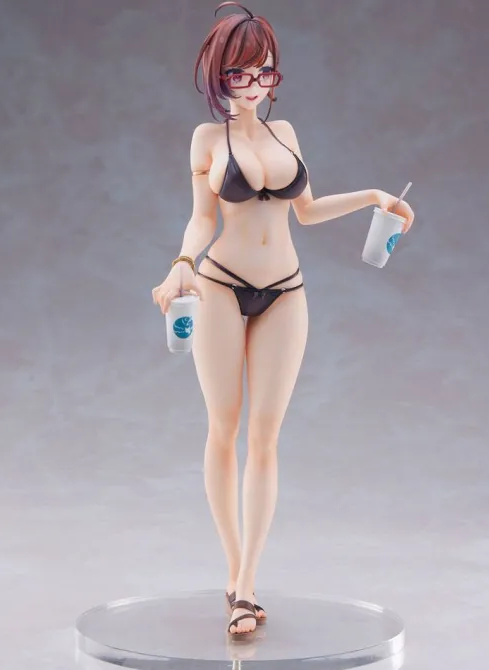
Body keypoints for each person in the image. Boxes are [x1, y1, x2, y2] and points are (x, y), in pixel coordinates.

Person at [151, 1, 415, 639]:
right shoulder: (207, 139)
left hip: (286, 292)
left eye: (264, 73)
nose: (254, 86)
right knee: (224, 429)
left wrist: (374, 198)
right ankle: (233, 572)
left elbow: (308, 210)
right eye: (240, 74)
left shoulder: (286, 133)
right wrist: (182, 263)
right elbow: (202, 219)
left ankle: (246, 585)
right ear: (218, 75)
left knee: (265, 438)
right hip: (220, 286)